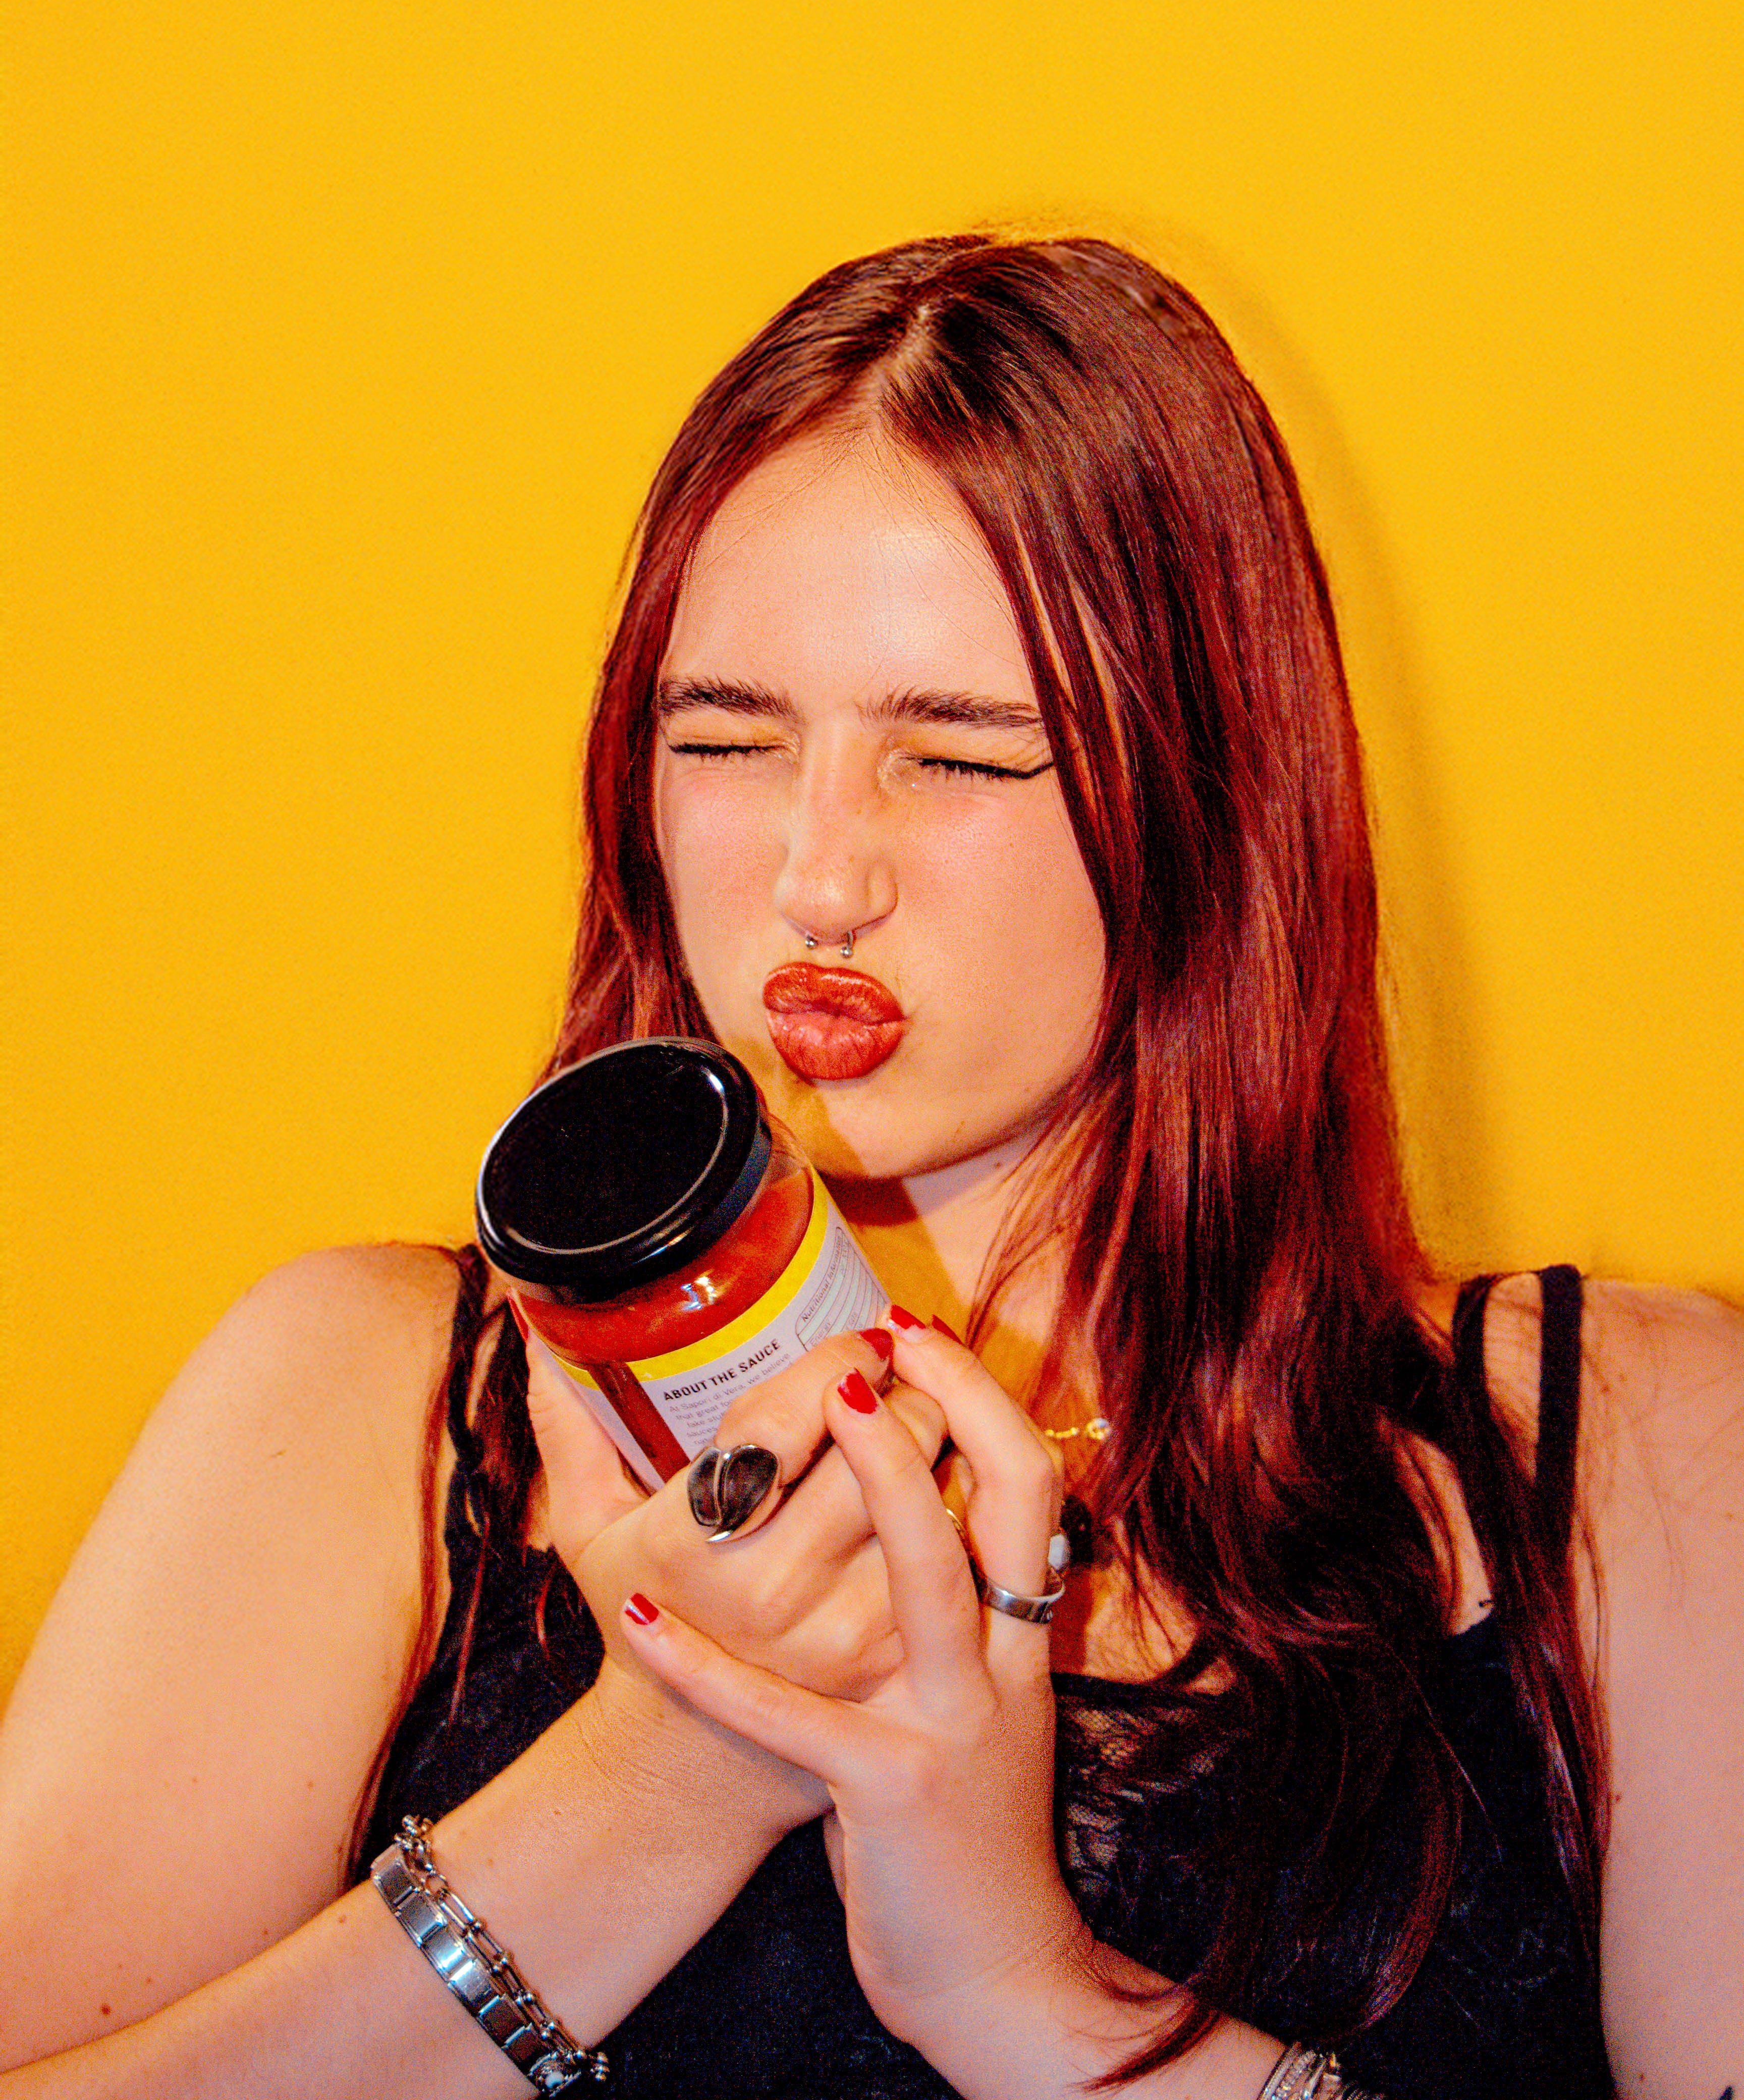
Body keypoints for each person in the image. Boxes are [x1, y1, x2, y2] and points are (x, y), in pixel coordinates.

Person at [0, 234, 1738, 2099]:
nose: (822, 874)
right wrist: (657, 1782)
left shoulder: (1627, 1459)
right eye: (727, 737)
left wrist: (1037, 2007)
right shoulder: (363, 1407)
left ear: (1216, 795)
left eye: (962, 759)